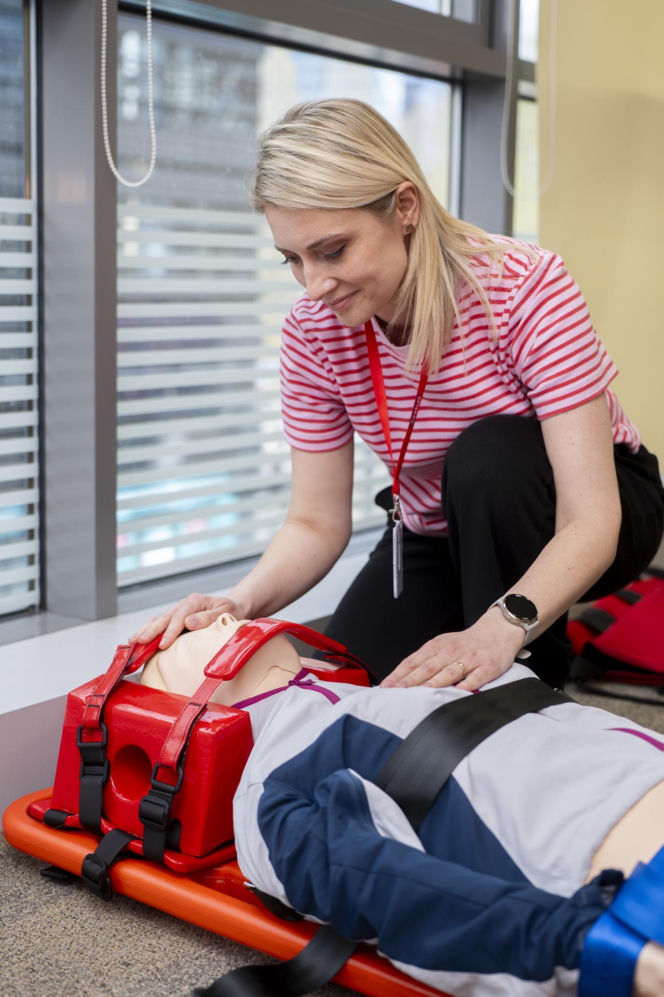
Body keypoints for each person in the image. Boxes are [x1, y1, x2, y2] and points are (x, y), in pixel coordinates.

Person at [132, 98, 664, 691]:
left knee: (487, 459)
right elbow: (313, 520)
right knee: (354, 690)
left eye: (332, 251)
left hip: (594, 507)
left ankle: (533, 683)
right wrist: (237, 601)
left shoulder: (525, 286)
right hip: (435, 523)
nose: (314, 284)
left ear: (405, 208)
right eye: (293, 259)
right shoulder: (313, 331)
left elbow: (592, 519)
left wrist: (499, 627)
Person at [140, 613, 664, 997]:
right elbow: (393, 890)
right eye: (186, 640)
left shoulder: (415, 680)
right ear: (187, 717)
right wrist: (608, 951)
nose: (223, 616)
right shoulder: (271, 782)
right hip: (640, 885)